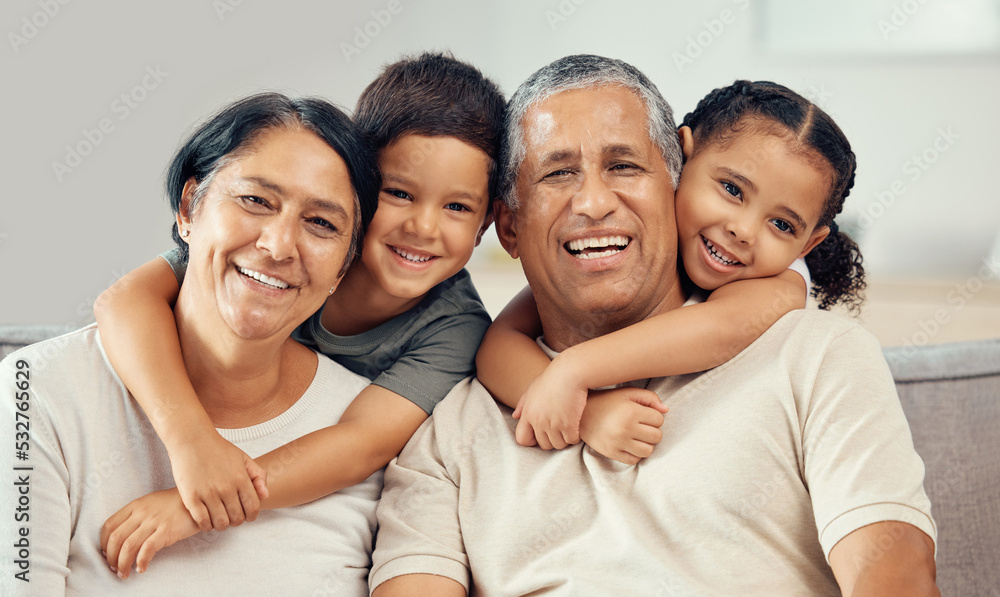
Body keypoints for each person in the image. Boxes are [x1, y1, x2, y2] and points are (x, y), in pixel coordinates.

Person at [369, 55, 939, 596]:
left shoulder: (817, 353)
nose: (594, 202)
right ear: (509, 229)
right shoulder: (446, 432)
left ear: (675, 180)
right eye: (559, 173)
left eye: (623, 166)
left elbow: (893, 575)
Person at [92, 52, 505, 576]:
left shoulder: (456, 326)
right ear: (352, 186)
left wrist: (196, 504)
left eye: (457, 207)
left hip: (295, 490)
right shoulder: (274, 249)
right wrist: (191, 440)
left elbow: (358, 443)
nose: (424, 227)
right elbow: (125, 300)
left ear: (487, 223)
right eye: (398, 193)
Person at [0, 92, 383, 596]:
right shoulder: (36, 393)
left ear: (344, 267)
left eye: (322, 224)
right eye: (255, 200)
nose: (278, 245)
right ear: (188, 210)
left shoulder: (371, 430)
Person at [475, 79, 867, 461]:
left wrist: (575, 370)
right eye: (732, 190)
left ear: (809, 242)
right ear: (681, 157)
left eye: (782, 225)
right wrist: (589, 411)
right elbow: (497, 346)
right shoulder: (636, 246)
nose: (743, 231)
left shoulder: (781, 283)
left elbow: (720, 330)